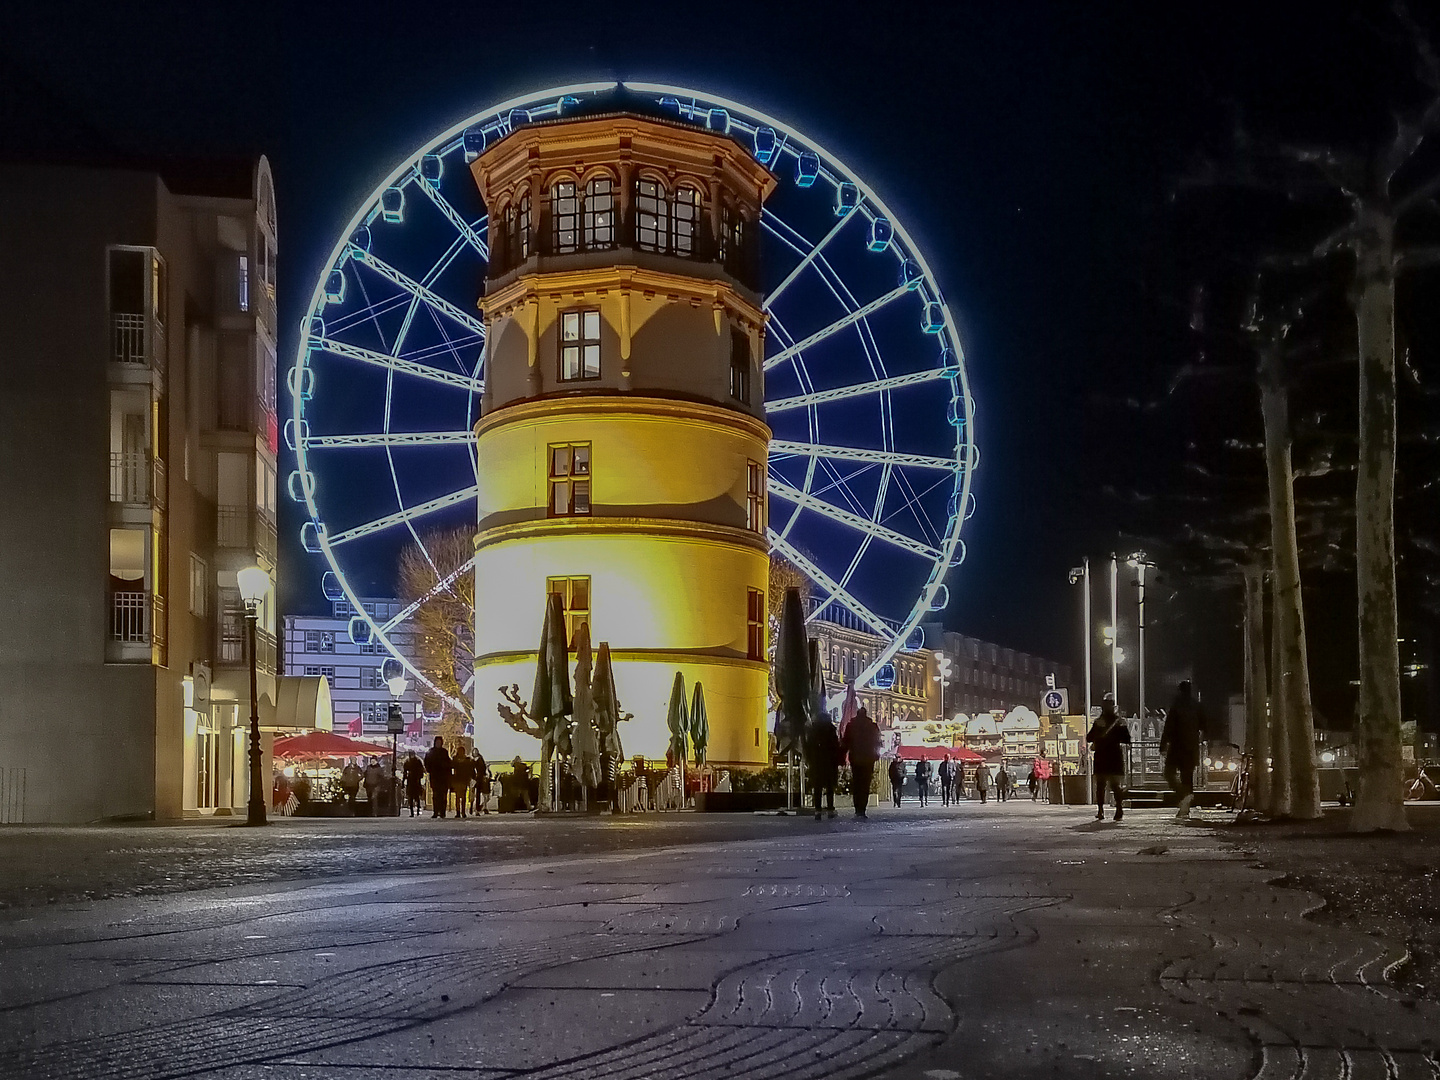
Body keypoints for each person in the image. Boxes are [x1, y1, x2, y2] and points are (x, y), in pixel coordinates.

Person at [1161, 680, 1205, 821]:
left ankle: (1183, 795)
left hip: (1176, 746)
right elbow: (1204, 725)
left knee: (1169, 773)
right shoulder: (1197, 706)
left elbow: (1168, 727)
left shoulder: (1176, 706)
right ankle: (1186, 807)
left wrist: (1163, 745)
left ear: (1179, 690)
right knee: (1187, 777)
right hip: (1191, 747)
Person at [1087, 693, 1132, 821]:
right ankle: (1119, 809)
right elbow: (1127, 739)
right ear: (1114, 707)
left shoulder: (1098, 722)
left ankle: (1101, 811)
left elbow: (1088, 738)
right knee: (1116, 786)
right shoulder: (1120, 722)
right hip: (1115, 757)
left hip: (1101, 758)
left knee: (1100, 786)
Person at [839, 706, 881, 818]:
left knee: (857, 783)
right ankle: (862, 808)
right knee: (865, 784)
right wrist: (876, 754)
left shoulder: (851, 726)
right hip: (868, 759)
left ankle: (858, 808)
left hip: (856, 759)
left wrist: (842, 756)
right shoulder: (872, 726)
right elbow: (877, 742)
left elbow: (846, 742)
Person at [804, 716, 841, 820]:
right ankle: (830, 809)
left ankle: (818, 810)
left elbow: (808, 747)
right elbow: (836, 747)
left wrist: (809, 760)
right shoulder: (831, 730)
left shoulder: (813, 730)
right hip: (829, 763)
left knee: (817, 788)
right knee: (830, 788)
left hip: (816, 763)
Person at [424, 736, 452, 819]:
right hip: (435, 777)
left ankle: (442, 812)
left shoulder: (444, 752)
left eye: (439, 742)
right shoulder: (431, 752)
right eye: (437, 742)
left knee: (443, 795)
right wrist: (430, 770)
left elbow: (448, 764)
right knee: (436, 795)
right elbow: (426, 763)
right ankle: (436, 811)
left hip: (443, 778)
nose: (438, 744)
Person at [451, 748, 474, 819]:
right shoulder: (465, 760)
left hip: (461, 780)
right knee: (460, 796)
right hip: (460, 780)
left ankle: (460, 812)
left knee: (460, 796)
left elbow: (470, 769)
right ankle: (460, 812)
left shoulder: (458, 759)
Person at [402, 752, 425, 816]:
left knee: (416, 797)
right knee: (411, 797)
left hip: (416, 780)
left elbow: (421, 771)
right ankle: (412, 811)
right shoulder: (408, 762)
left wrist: (420, 777)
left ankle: (417, 809)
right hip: (411, 780)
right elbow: (405, 772)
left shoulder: (417, 761)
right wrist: (403, 781)